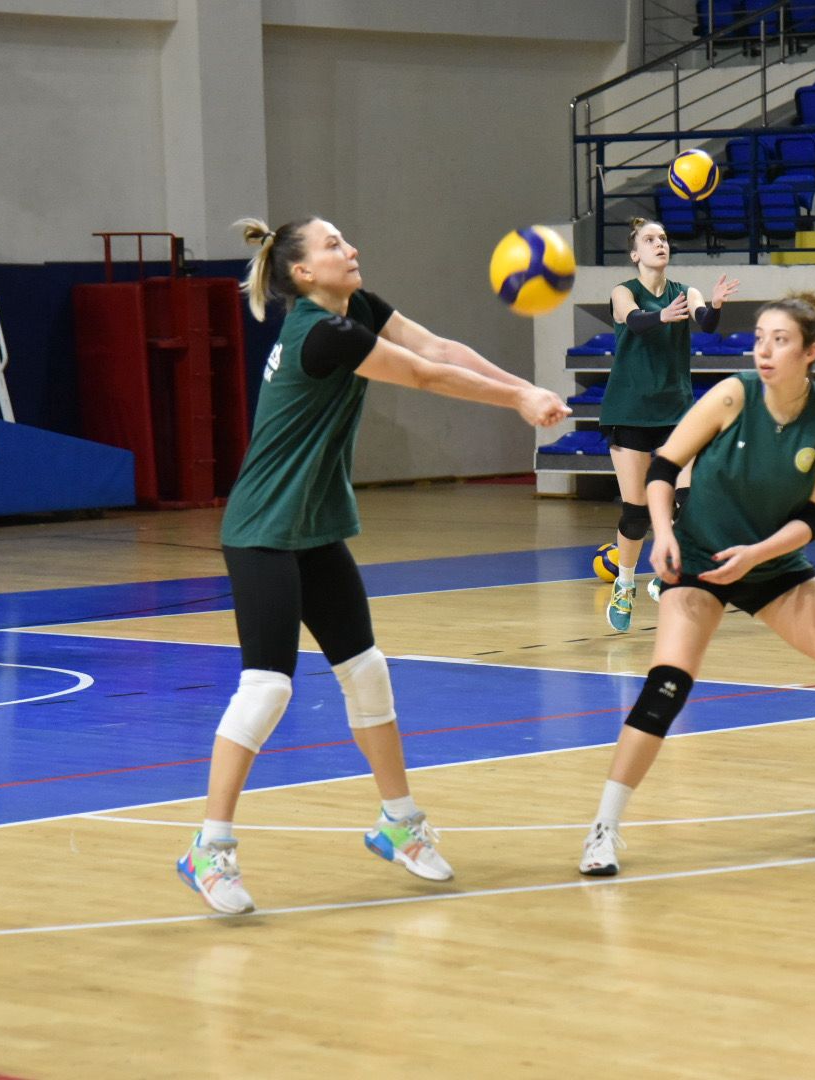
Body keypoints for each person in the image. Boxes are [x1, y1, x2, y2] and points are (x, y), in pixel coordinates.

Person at [177, 215, 571, 915]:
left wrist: (524, 388)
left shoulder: (354, 306)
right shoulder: (322, 333)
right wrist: (517, 400)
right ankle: (210, 848)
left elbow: (437, 347)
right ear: (303, 273)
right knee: (267, 689)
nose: (352, 249)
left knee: (367, 672)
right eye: (333, 245)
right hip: (263, 527)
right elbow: (422, 374)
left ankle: (399, 824)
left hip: (313, 524)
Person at [577, 291, 815, 878]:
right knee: (665, 688)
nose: (764, 350)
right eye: (760, 338)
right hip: (698, 558)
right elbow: (662, 469)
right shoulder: (733, 395)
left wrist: (758, 554)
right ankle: (603, 829)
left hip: (770, 563)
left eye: (780, 341)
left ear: (810, 352)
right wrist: (663, 534)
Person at [600, 217, 737, 633]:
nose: (660, 243)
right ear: (635, 253)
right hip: (629, 409)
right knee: (636, 514)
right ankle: (625, 584)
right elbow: (634, 320)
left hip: (676, 411)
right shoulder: (623, 291)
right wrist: (662, 316)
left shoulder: (685, 291)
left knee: (690, 501)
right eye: (650, 239)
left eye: (663, 238)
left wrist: (714, 306)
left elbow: (705, 322)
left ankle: (668, 574)